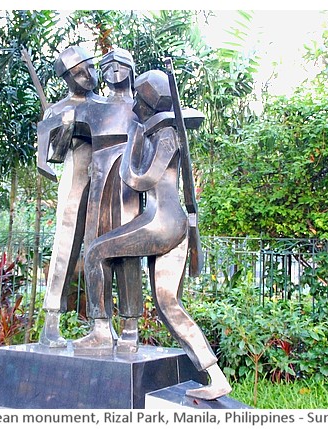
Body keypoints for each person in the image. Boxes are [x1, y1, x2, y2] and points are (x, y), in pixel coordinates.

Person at [81, 70, 232, 400]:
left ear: (148, 104)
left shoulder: (165, 136)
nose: (133, 101)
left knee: (95, 252)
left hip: (162, 224)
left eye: (139, 97)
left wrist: (133, 136)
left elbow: (138, 180)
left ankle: (101, 331)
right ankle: (215, 374)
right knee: (167, 304)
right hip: (168, 223)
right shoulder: (164, 132)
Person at [71, 48, 143, 352]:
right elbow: (63, 138)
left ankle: (130, 326)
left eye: (120, 65)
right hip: (99, 181)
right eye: (108, 66)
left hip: (128, 182)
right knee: (93, 251)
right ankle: (100, 326)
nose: (114, 71)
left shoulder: (142, 107)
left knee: (126, 252)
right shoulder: (91, 108)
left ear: (130, 68)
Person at [37, 46, 104, 347]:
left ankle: (102, 324)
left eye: (89, 67)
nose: (87, 75)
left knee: (103, 250)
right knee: (65, 247)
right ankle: (51, 321)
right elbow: (49, 158)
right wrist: (65, 130)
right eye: (78, 72)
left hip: (107, 184)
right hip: (76, 180)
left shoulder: (108, 104)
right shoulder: (57, 109)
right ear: (66, 78)